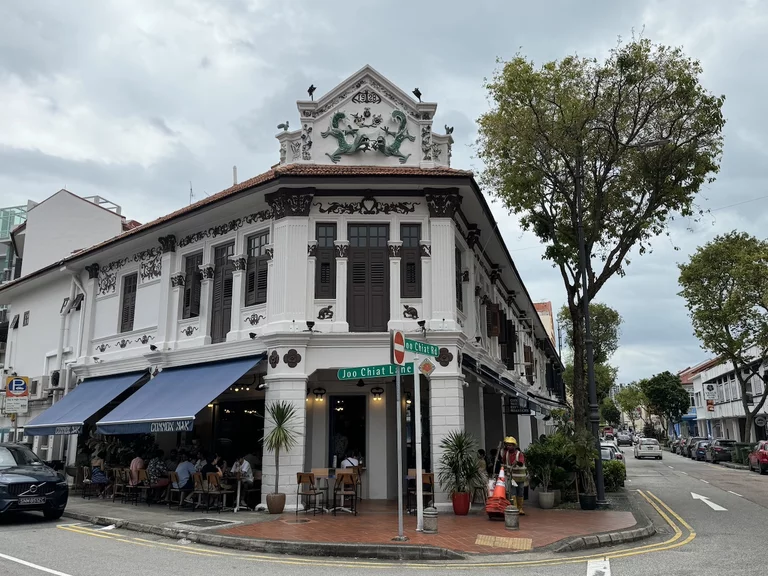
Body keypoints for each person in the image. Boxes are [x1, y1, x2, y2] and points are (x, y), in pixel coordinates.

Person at [500, 436, 527, 515]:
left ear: (514, 446)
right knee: (513, 493)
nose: (508, 446)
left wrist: (517, 462)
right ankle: (515, 508)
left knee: (520, 492)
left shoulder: (519, 454)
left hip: (520, 478)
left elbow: (521, 462)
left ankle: (520, 508)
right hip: (511, 478)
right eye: (507, 445)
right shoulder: (506, 454)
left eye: (510, 445)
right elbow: (503, 462)